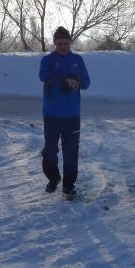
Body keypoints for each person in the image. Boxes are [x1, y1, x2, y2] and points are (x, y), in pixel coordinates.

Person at [39, 26, 91, 199]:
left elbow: (86, 83)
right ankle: (53, 178)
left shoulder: (77, 60)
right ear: (55, 44)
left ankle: (68, 185)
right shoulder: (48, 60)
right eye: (59, 43)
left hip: (72, 116)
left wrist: (77, 81)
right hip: (51, 115)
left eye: (66, 43)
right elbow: (43, 76)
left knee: (71, 151)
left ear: (70, 43)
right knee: (50, 150)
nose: (63, 46)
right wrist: (66, 78)